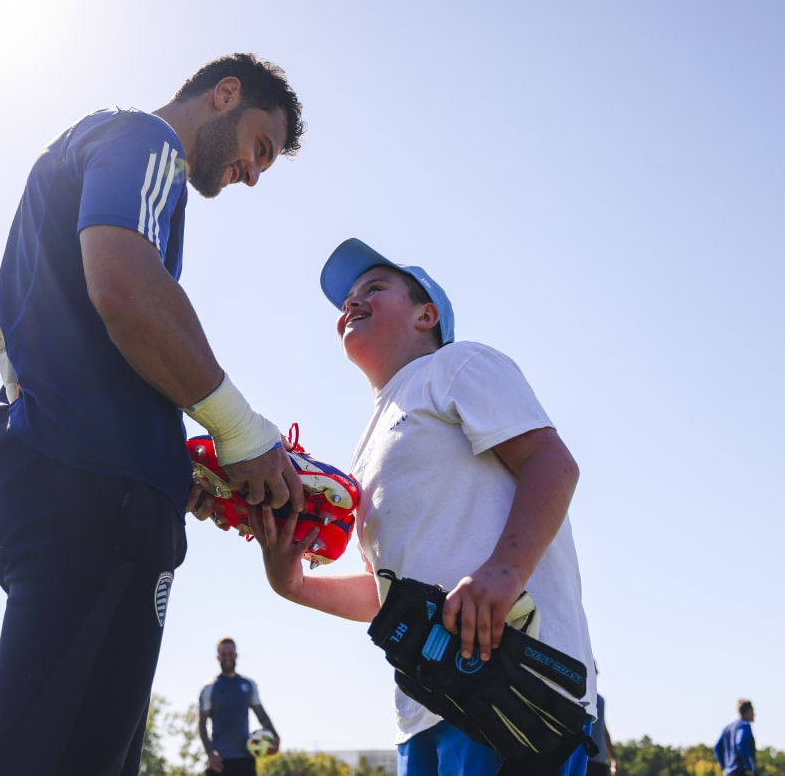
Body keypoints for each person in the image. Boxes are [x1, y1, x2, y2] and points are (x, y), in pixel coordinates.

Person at [0, 53, 307, 776]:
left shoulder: (103, 161)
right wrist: (240, 429)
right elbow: (123, 289)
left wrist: (174, 457)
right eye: (260, 150)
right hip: (90, 494)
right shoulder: (142, 141)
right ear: (225, 94)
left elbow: (86, 343)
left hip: (77, 486)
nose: (251, 172)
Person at [249, 238, 598, 776]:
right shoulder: (364, 448)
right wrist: (292, 584)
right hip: (425, 703)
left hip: (514, 685)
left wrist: (501, 575)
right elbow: (383, 592)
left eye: (374, 288)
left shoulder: (455, 364)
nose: (351, 302)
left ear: (426, 315)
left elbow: (551, 465)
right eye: (346, 299)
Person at [199, 637, 280, 775]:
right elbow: (202, 724)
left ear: (236, 655)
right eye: (224, 654)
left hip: (245, 761)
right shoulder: (209, 688)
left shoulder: (248, 685)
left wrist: (275, 737)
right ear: (218, 657)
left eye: (231, 653)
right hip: (220, 762)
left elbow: (261, 715)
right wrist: (210, 754)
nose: (227, 657)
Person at [586, 667, 618, 776]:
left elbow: (603, 730)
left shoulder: (600, 700)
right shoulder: (578, 697)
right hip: (584, 759)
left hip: (600, 761)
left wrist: (613, 759)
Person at [714, 700, 757, 776]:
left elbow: (717, 747)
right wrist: (747, 767)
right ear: (748, 711)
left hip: (729, 773)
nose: (754, 714)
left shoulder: (728, 728)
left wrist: (724, 767)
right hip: (741, 772)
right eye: (753, 711)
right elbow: (741, 742)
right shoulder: (744, 725)